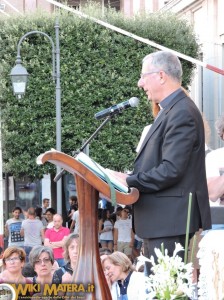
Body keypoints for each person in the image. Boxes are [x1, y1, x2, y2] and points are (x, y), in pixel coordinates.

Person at [114, 51, 211, 261]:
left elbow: (171, 169)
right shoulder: (172, 110)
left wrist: (129, 180)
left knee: (167, 292)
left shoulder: (181, 112)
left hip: (169, 222)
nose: (140, 83)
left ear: (160, 75)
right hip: (164, 222)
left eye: (143, 76)